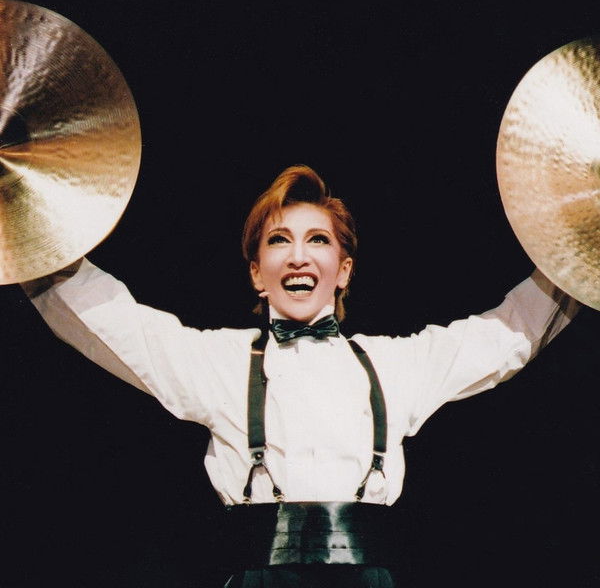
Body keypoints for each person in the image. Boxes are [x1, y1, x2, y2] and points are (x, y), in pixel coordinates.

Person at [22, 164, 579, 587]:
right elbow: (110, 320)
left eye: (318, 240)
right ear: (256, 274)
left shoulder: (396, 365)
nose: (298, 256)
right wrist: (24, 220)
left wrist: (578, 243)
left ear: (343, 270)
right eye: (278, 240)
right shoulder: (220, 361)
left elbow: (509, 331)